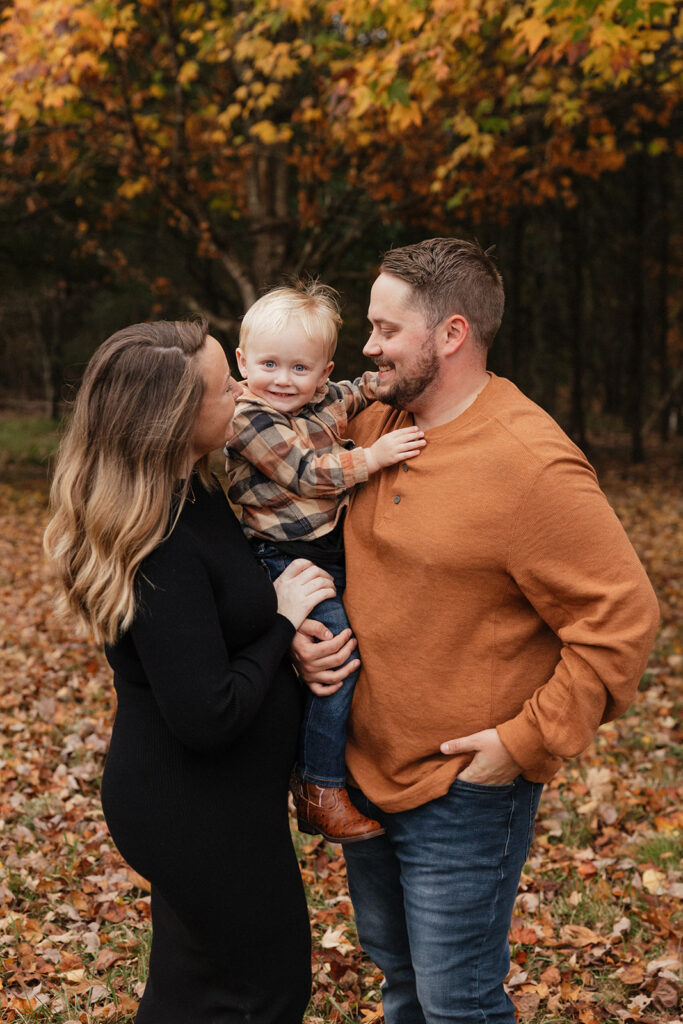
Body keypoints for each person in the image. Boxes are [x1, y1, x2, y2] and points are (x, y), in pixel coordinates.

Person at [292, 238, 660, 1024]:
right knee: (398, 983)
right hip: (364, 765)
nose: (368, 346)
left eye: (387, 330)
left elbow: (622, 616)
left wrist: (526, 742)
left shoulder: (528, 465)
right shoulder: (375, 418)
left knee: (458, 1002)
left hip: (460, 791)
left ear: (450, 335)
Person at [43, 319, 337, 1024]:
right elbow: (206, 714)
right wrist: (282, 622)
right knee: (262, 995)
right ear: (176, 419)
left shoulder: (198, 491)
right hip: (194, 809)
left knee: (192, 992)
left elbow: (219, 632)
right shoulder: (158, 547)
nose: (241, 388)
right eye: (221, 385)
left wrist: (275, 637)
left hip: (220, 801)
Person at [225, 280, 425, 842]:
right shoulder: (249, 418)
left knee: (364, 646)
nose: (283, 381)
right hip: (281, 556)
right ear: (242, 362)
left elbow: (364, 388)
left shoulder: (325, 398)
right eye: (268, 364)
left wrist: (399, 378)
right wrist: (374, 456)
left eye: (299, 368)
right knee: (336, 661)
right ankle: (318, 787)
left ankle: (322, 761)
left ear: (322, 370)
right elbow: (308, 475)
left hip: (329, 549)